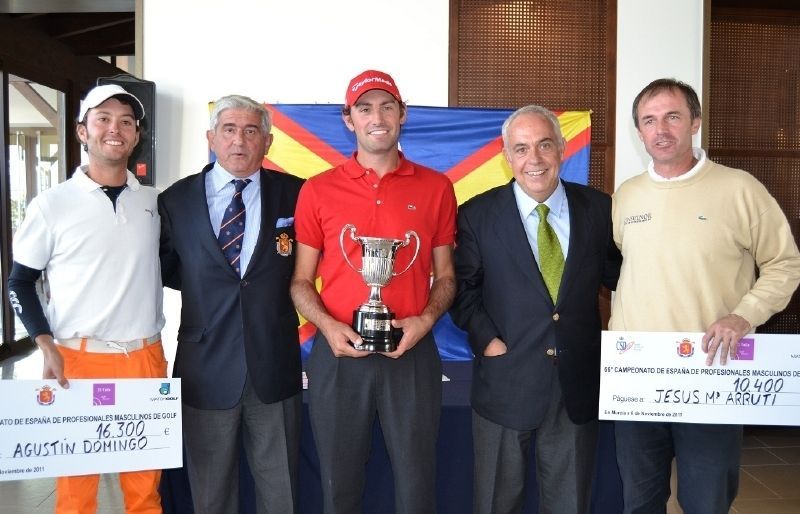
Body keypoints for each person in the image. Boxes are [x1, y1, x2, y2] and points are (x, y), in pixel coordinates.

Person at [611, 78, 800, 514]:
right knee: (639, 500)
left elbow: (785, 264)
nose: (661, 129)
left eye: (672, 117)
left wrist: (744, 316)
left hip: (710, 373)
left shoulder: (740, 189)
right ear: (639, 132)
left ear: (695, 122)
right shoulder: (626, 197)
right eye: (649, 120)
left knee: (706, 501)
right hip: (638, 377)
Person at [290, 69, 457, 514]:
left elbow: (446, 277)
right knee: (339, 486)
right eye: (365, 108)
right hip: (339, 355)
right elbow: (301, 282)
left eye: (386, 106)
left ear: (402, 114)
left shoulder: (437, 187)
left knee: (417, 485)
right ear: (349, 119)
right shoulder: (317, 190)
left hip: (412, 351)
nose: (376, 117)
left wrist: (424, 320)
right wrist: (327, 326)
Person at [450, 105, 621, 514]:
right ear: (506, 156)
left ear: (562, 148)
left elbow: (622, 280)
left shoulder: (599, 209)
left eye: (545, 145)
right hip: (505, 381)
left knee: (569, 502)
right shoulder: (476, 214)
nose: (535, 159)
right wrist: (488, 341)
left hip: (577, 385)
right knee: (497, 501)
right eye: (522, 148)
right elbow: (462, 291)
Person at [8, 84, 165, 513]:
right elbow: (19, 282)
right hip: (77, 362)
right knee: (76, 494)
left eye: (126, 122)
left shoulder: (153, 202)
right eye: (103, 119)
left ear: (136, 137)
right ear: (83, 130)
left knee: (145, 492)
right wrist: (44, 344)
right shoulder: (51, 205)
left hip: (144, 359)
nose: (115, 129)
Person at [158, 95, 304, 514]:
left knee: (282, 491)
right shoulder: (175, 201)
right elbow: (169, 269)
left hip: (274, 366)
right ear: (211, 138)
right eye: (229, 129)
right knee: (211, 494)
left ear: (268, 142)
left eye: (251, 130)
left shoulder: (297, 195)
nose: (240, 140)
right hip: (205, 367)